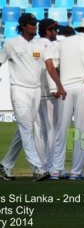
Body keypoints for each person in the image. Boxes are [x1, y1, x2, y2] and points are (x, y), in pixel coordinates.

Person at [45, 17, 84, 180]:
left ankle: (56, 170)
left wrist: (56, 86)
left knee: (61, 129)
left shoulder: (62, 43)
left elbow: (49, 62)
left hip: (65, 89)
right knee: (82, 130)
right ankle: (76, 171)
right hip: (83, 89)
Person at [0, 13, 52, 181]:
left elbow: (48, 67)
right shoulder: (11, 44)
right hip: (19, 90)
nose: (35, 26)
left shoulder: (39, 44)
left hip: (36, 91)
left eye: (35, 23)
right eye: (31, 24)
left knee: (24, 129)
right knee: (26, 128)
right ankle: (37, 168)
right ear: (23, 25)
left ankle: (5, 165)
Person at [34, 18, 59, 172]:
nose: (56, 32)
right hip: (50, 94)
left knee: (39, 130)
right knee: (53, 130)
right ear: (47, 31)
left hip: (36, 92)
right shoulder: (51, 45)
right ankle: (52, 167)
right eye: (54, 30)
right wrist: (55, 88)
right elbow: (52, 69)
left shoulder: (33, 43)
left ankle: (40, 167)